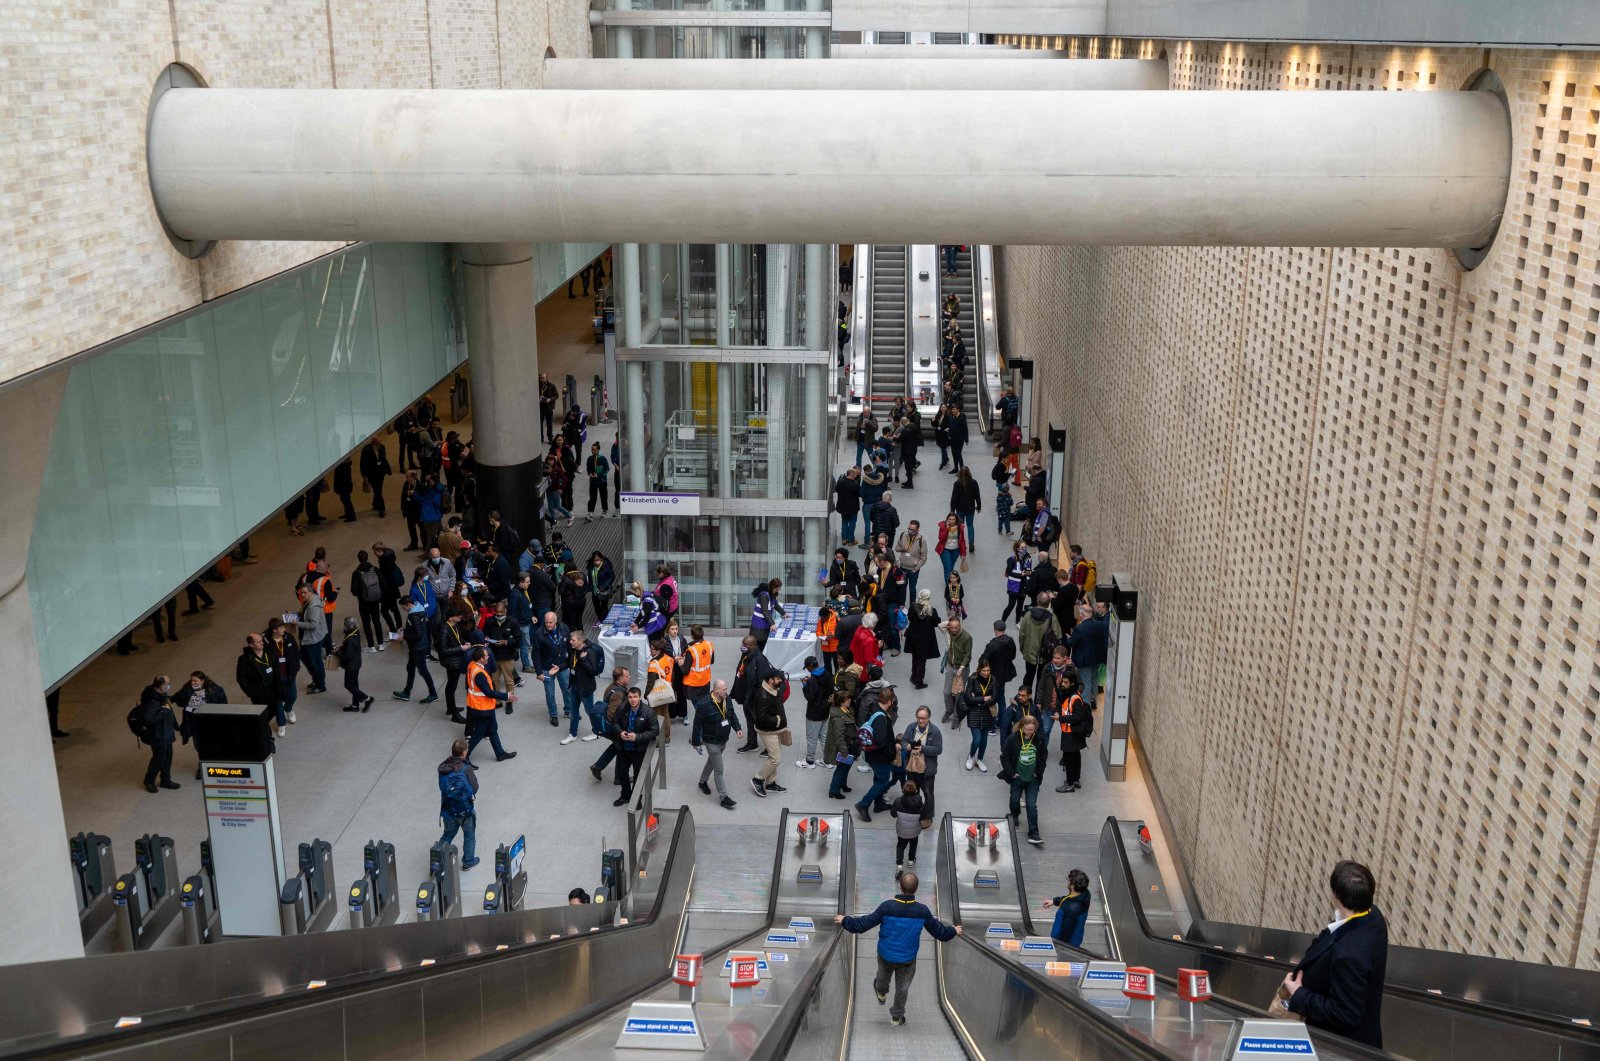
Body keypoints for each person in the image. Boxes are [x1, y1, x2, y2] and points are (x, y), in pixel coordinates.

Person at [1279, 861, 1388, 1048]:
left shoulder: (1348, 955)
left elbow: (1345, 1013)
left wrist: (1299, 994)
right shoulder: (1373, 916)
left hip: (1340, 1046)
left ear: (1335, 895)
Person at [835, 872, 960, 1027]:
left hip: (886, 955)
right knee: (902, 988)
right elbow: (940, 932)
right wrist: (954, 930)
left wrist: (844, 920)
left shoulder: (887, 907)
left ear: (900, 887)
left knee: (882, 977)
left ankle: (881, 991)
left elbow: (863, 924)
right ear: (916, 889)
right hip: (907, 959)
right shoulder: (922, 911)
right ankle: (896, 1018)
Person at [690, 679, 740, 810]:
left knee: (711, 762)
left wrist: (738, 728)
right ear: (716, 690)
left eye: (726, 689)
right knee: (719, 769)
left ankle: (702, 782)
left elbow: (731, 715)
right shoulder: (704, 704)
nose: (726, 691)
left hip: (723, 739)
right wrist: (695, 742)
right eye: (724, 689)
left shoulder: (726, 699)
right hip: (711, 742)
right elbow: (697, 724)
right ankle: (724, 798)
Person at [464, 646, 518, 763]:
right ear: (481, 659)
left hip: (482, 706)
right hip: (482, 708)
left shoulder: (472, 665)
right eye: (486, 655)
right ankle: (464, 756)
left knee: (493, 729)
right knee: (479, 733)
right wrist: (506, 696)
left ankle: (500, 754)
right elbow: (488, 692)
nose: (488, 656)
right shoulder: (479, 674)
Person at [853, 688, 899, 821]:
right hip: (880, 757)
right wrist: (891, 753)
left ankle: (879, 805)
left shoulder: (874, 710)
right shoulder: (881, 718)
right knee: (883, 781)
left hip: (872, 755)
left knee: (878, 779)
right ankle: (863, 804)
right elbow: (880, 741)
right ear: (889, 701)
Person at [999, 714, 1044, 846]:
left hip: (1032, 779)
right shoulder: (1013, 739)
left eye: (1032, 729)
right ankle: (1014, 815)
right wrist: (1011, 773)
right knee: (1014, 800)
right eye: (1027, 729)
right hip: (1017, 778)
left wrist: (1038, 772)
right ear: (1022, 727)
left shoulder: (1039, 740)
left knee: (1031, 806)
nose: (1030, 732)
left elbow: (1043, 756)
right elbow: (1004, 757)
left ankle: (1034, 833)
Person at [436, 738, 481, 869]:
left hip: (448, 809)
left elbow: (442, 787)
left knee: (448, 834)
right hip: (465, 810)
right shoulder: (466, 768)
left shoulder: (443, 768)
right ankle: (468, 861)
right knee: (469, 835)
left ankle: (438, 859)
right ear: (464, 752)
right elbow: (475, 787)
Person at [172, 671, 225, 779]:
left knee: (212, 745)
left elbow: (223, 704)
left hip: (210, 722)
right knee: (199, 747)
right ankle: (203, 766)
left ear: (203, 680)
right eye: (191, 680)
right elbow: (179, 701)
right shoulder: (187, 689)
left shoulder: (215, 690)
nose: (193, 682)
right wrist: (189, 692)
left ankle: (213, 765)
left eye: (195, 680)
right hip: (195, 723)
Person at [612, 687, 658, 807]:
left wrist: (637, 736)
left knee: (638, 776)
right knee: (622, 773)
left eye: (635, 697)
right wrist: (620, 732)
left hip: (639, 750)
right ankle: (625, 795)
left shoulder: (648, 712)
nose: (632, 700)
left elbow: (654, 731)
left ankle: (636, 797)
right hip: (624, 748)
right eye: (630, 697)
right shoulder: (622, 708)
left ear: (640, 696)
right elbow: (614, 722)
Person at [135, 676, 180, 793]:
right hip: (158, 735)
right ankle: (149, 780)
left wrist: (175, 725)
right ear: (161, 685)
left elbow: (170, 710)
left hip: (166, 733)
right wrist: (164, 711)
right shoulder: (152, 701)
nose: (169, 685)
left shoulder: (162, 695)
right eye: (168, 684)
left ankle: (166, 780)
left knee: (168, 757)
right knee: (158, 759)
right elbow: (148, 719)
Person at [748, 672, 789, 797]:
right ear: (770, 680)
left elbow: (783, 690)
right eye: (778, 679)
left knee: (773, 756)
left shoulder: (774, 688)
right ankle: (758, 779)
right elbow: (761, 718)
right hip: (768, 731)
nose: (780, 681)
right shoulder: (763, 696)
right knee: (775, 759)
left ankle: (770, 783)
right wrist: (777, 720)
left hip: (776, 730)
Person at [899, 706, 941, 827]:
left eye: (923, 718)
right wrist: (905, 746)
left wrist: (923, 748)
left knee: (928, 794)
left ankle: (928, 817)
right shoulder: (911, 727)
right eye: (919, 718)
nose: (921, 721)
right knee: (912, 792)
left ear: (929, 718)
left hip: (926, 770)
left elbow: (938, 749)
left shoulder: (935, 731)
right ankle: (913, 813)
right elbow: (904, 741)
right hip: (912, 768)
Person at [236, 633, 285, 737]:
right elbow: (240, 678)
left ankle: (263, 726)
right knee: (263, 714)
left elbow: (276, 668)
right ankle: (267, 736)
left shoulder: (269, 652)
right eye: (258, 642)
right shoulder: (244, 659)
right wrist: (250, 692)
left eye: (261, 640)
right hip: (259, 693)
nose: (262, 643)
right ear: (251, 645)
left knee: (274, 709)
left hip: (273, 689)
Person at [1052, 671, 1092, 794]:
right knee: (1075, 756)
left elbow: (1077, 717)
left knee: (1069, 759)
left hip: (1071, 733)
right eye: (1062, 681)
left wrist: (1060, 718)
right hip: (1072, 732)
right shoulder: (1069, 695)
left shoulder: (1074, 699)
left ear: (1072, 684)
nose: (1062, 684)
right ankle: (1075, 780)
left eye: (1065, 682)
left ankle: (1069, 784)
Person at [392, 603, 439, 704]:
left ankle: (433, 694)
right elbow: (417, 630)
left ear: (408, 604)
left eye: (403, 607)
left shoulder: (413, 617)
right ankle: (406, 692)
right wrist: (405, 630)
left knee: (423, 671)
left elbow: (418, 634)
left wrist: (403, 637)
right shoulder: (420, 612)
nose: (403, 609)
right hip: (417, 648)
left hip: (418, 648)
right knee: (410, 668)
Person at [534, 610, 574, 729]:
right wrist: (539, 672)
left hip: (561, 666)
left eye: (550, 622)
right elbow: (535, 654)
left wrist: (570, 663)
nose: (548, 625)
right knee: (550, 693)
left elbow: (570, 647)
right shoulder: (539, 633)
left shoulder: (564, 628)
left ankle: (569, 710)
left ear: (556, 621)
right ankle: (553, 715)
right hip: (547, 668)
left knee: (567, 689)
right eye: (546, 622)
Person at [1068, 598, 1110, 707]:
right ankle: (1093, 699)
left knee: (1086, 682)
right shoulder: (1099, 625)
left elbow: (1072, 643)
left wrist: (1069, 638)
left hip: (1084, 660)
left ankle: (1085, 706)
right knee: (1094, 679)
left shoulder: (1080, 628)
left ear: (1082, 615)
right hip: (1095, 658)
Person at [264, 619, 303, 735]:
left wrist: (296, 668)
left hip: (289, 674)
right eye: (281, 628)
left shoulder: (288, 638)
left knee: (293, 696)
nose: (284, 630)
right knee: (277, 702)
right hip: (276, 678)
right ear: (274, 630)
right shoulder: (266, 642)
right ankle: (281, 724)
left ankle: (288, 709)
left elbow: (296, 653)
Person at [1018, 593, 1061, 691]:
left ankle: (1026, 698)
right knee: (1042, 679)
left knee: (1029, 675)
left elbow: (1022, 635)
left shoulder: (1028, 615)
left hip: (1030, 651)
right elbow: (1058, 636)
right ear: (1048, 603)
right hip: (1046, 653)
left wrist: (1022, 648)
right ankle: (1038, 701)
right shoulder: (1052, 617)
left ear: (1037, 601)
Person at [962, 659, 999, 771]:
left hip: (988, 713)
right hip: (974, 713)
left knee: (984, 740)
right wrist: (983, 699)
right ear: (979, 670)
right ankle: (971, 756)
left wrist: (977, 700)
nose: (986, 673)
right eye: (984, 670)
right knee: (977, 739)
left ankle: (980, 760)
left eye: (988, 670)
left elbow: (994, 698)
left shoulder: (993, 680)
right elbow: (968, 698)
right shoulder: (972, 679)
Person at [1042, 869, 1092, 947]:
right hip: (1077, 937)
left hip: (1064, 944)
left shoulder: (1071, 909)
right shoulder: (1083, 895)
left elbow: (1066, 932)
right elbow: (1068, 899)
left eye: (1068, 880)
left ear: (1072, 886)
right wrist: (1054, 901)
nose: (1067, 881)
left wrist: (1057, 945)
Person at [798, 656, 832, 769]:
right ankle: (827, 760)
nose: (807, 669)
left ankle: (810, 761)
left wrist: (804, 685)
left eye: (807, 667)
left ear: (811, 666)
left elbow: (810, 697)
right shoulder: (827, 674)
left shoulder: (812, 680)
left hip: (814, 713)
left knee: (812, 738)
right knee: (824, 736)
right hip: (826, 710)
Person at [904, 590, 942, 690]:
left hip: (913, 637)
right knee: (922, 661)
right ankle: (919, 682)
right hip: (925, 639)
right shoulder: (932, 611)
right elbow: (936, 623)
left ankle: (913, 676)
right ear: (928, 598)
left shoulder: (913, 608)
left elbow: (910, 618)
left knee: (915, 658)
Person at [824, 691, 858, 800]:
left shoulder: (845, 710)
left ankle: (843, 784)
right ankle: (834, 790)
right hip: (844, 747)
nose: (850, 700)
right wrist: (844, 752)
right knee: (841, 768)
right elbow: (839, 737)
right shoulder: (838, 718)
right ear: (842, 702)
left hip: (849, 745)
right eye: (847, 699)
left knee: (846, 767)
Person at [336, 616, 373, 712]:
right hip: (356, 663)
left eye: (345, 625)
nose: (344, 626)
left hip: (351, 666)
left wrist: (337, 653)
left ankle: (367, 699)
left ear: (348, 626)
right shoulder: (354, 632)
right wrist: (343, 646)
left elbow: (347, 655)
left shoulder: (351, 639)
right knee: (354, 685)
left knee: (349, 685)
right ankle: (355, 705)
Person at [978, 619, 1018, 707]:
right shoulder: (1010, 640)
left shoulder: (992, 645)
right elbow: (1013, 656)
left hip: (992, 675)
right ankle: (1002, 718)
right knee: (1001, 697)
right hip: (1004, 674)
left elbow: (983, 660)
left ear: (995, 630)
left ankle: (991, 717)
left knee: (989, 696)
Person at [939, 617, 972, 726]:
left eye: (956, 627)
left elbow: (968, 655)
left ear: (960, 626)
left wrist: (961, 668)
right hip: (950, 665)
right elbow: (940, 626)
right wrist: (948, 623)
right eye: (951, 627)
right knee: (947, 692)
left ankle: (956, 717)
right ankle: (949, 710)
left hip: (961, 669)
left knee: (958, 694)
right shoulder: (948, 632)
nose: (953, 630)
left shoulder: (966, 637)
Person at [645, 637, 677, 745]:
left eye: (652, 649)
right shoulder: (668, 658)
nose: (650, 651)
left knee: (656, 716)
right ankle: (667, 737)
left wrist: (646, 695)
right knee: (665, 714)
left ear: (658, 650)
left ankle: (658, 741)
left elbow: (650, 682)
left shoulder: (653, 663)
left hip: (657, 693)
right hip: (667, 691)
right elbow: (672, 674)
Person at [891, 781, 924, 869]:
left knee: (900, 846)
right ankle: (911, 860)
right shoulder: (919, 802)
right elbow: (923, 816)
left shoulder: (897, 801)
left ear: (903, 790)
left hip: (902, 830)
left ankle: (899, 864)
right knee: (913, 845)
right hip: (914, 831)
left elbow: (893, 814)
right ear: (916, 790)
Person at [894, 521, 928, 601]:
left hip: (913, 570)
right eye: (909, 529)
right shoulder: (903, 535)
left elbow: (924, 558)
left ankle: (912, 607)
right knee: (902, 588)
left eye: (912, 530)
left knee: (912, 590)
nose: (910, 531)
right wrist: (902, 549)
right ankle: (901, 605)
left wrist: (916, 568)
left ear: (917, 530)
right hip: (902, 568)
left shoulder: (921, 540)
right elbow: (896, 548)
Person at [1001, 540, 1033, 625]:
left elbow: (1029, 568)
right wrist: (1020, 575)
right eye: (1022, 548)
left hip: (1023, 585)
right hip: (1014, 586)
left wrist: (1029, 573)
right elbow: (1008, 573)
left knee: (1020, 605)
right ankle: (1002, 621)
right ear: (1017, 548)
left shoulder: (1028, 557)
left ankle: (1017, 622)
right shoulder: (1012, 559)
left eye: (1025, 547)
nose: (1024, 549)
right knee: (1011, 605)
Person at [949, 467, 981, 551]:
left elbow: (954, 497)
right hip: (970, 508)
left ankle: (960, 544)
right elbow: (977, 495)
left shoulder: (957, 484)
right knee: (970, 525)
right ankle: (971, 543)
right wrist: (979, 506)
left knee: (960, 526)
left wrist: (952, 509)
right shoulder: (974, 483)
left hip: (960, 509)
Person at [749, 577, 785, 649]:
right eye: (776, 589)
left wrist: (783, 613)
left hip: (764, 624)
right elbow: (764, 611)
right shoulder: (764, 596)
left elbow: (775, 605)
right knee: (757, 646)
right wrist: (772, 623)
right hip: (758, 625)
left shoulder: (771, 593)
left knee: (763, 644)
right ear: (772, 587)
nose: (777, 591)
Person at [360, 437, 392, 517]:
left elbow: (384, 458)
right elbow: (362, 464)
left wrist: (385, 469)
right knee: (377, 490)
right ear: (373, 443)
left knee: (379, 490)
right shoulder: (366, 450)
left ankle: (375, 504)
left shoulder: (382, 447)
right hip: (372, 474)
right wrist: (364, 476)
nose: (379, 445)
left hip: (380, 473)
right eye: (378, 444)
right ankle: (382, 509)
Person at [934, 512, 967, 581]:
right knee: (948, 568)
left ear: (956, 520)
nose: (951, 521)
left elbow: (962, 540)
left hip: (956, 550)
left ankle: (951, 583)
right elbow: (941, 538)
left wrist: (964, 552)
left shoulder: (959, 527)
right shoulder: (943, 526)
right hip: (945, 550)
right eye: (950, 519)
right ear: (947, 519)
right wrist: (947, 529)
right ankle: (948, 587)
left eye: (953, 519)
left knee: (951, 567)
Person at [834, 467, 862, 545]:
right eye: (855, 475)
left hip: (843, 506)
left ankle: (844, 539)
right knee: (852, 523)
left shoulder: (840, 482)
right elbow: (860, 494)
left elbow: (836, 490)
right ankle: (850, 540)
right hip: (853, 507)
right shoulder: (855, 485)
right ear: (852, 475)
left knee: (844, 522)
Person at [584, 441, 611, 519]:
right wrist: (590, 474)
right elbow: (588, 469)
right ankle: (590, 512)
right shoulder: (590, 458)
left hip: (602, 481)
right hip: (593, 481)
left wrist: (599, 474)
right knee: (592, 497)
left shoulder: (602, 458)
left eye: (594, 450)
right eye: (592, 449)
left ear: (598, 450)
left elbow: (606, 469)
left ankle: (605, 510)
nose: (593, 451)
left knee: (603, 496)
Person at [817, 603, 840, 674]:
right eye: (821, 617)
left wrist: (832, 633)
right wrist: (822, 636)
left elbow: (841, 632)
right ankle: (829, 678)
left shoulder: (837, 620)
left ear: (828, 615)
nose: (822, 619)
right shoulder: (820, 621)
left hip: (835, 646)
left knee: (837, 664)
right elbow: (818, 632)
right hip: (825, 646)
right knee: (827, 665)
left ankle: (837, 678)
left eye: (823, 618)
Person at [538, 373, 559, 443]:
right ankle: (541, 438)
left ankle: (550, 438)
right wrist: (538, 398)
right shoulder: (538, 386)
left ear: (547, 378)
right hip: (540, 407)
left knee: (549, 424)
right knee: (539, 423)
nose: (542, 380)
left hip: (548, 407)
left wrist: (550, 399)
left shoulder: (551, 386)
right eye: (540, 378)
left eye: (543, 378)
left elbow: (556, 395)